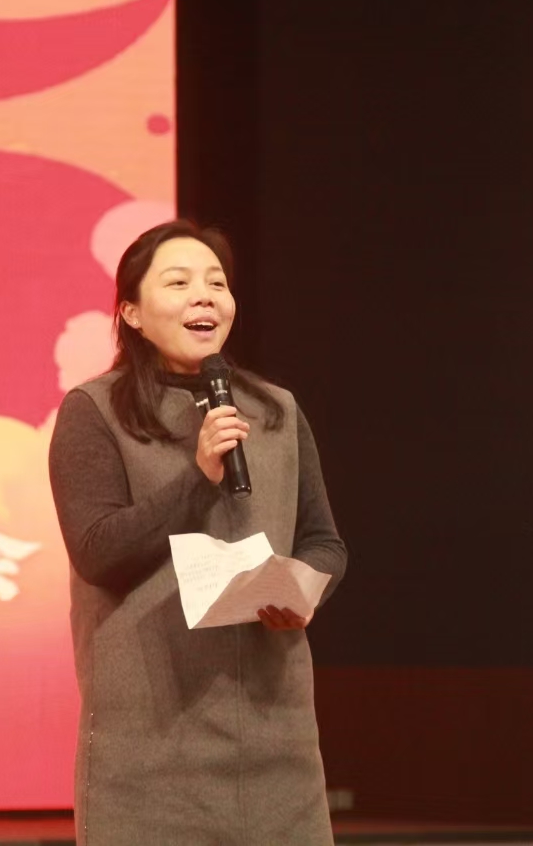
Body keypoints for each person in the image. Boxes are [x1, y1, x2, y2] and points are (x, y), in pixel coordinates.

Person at [48, 219, 347, 845]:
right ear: (131, 313)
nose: (204, 296)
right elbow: (97, 552)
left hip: (274, 731)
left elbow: (323, 540)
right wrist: (197, 476)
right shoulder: (94, 411)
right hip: (150, 738)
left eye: (216, 283)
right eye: (179, 283)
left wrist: (303, 589)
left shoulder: (276, 410)